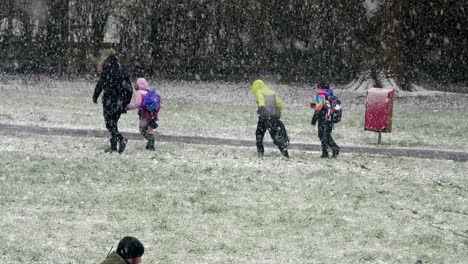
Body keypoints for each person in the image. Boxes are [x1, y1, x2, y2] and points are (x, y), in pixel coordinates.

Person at [93, 54, 132, 153]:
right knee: (114, 123)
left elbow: (99, 85)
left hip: (109, 101)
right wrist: (125, 101)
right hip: (120, 102)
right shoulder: (123, 73)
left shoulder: (106, 73)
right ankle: (114, 146)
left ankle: (120, 139)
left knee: (109, 124)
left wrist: (95, 96)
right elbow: (129, 89)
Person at [251, 79, 289, 158]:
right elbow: (280, 104)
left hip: (264, 117)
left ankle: (260, 153)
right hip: (273, 117)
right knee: (275, 136)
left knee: (259, 135)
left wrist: (261, 107)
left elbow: (260, 99)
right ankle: (285, 153)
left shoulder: (259, 91)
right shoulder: (271, 92)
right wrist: (277, 111)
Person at [126, 78, 162, 151]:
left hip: (144, 115)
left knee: (142, 130)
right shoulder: (150, 92)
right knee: (150, 130)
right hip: (152, 114)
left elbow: (137, 104)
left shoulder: (139, 93)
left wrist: (127, 107)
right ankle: (151, 145)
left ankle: (150, 141)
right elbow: (160, 104)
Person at [311, 80, 340, 158]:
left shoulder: (321, 94)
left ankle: (331, 150)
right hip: (329, 117)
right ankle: (327, 151)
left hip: (323, 117)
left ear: (320, 86)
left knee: (322, 135)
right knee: (326, 134)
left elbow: (319, 108)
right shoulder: (329, 94)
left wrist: (314, 118)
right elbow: (325, 105)